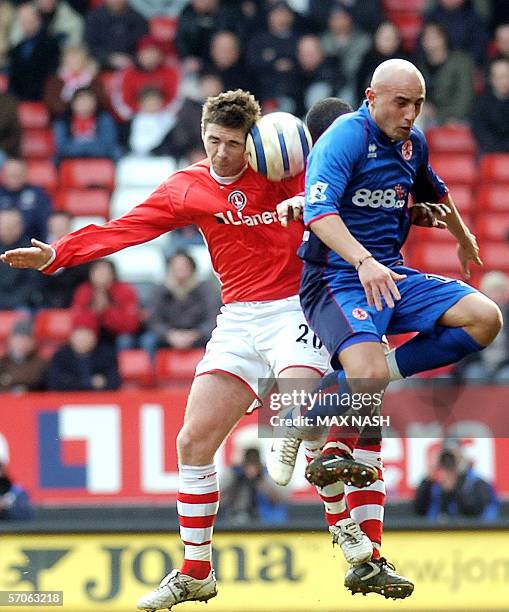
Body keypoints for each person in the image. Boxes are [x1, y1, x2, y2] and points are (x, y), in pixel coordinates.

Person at [0, 88, 375, 610]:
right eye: (213, 141)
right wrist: (59, 254)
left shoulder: (287, 169)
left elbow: (353, 185)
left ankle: (344, 529)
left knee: (297, 412)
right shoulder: (188, 187)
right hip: (239, 320)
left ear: (254, 142)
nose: (222, 154)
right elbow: (123, 230)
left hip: (300, 305)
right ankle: (197, 570)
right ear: (202, 136)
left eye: (233, 144)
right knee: (192, 442)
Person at [270, 59, 501, 597]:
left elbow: (434, 192)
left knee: (484, 318)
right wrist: (363, 260)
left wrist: (463, 237)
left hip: (388, 277)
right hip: (337, 278)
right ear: (371, 96)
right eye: (402, 103)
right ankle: (330, 472)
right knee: (365, 395)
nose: (411, 114)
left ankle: (319, 421)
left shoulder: (411, 143)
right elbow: (318, 215)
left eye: (418, 104)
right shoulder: (343, 138)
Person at [140, 251, 221, 358]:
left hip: (198, 333)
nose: (180, 270)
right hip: (168, 334)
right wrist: (169, 335)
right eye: (176, 266)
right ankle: (152, 373)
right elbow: (154, 319)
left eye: (184, 266)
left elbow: (213, 317)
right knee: (148, 341)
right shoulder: (160, 290)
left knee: (217, 339)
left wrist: (195, 334)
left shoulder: (206, 289)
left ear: (192, 268)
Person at [414, 441, 499, 522]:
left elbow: (474, 514)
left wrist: (456, 487)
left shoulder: (478, 484)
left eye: (452, 460)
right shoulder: (435, 486)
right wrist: (428, 480)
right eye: (445, 461)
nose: (448, 465)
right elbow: (419, 511)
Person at [71, 259, 142, 350]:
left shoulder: (125, 290)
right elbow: (78, 320)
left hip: (118, 333)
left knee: (125, 340)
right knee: (81, 337)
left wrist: (106, 311)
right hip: (94, 334)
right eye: (98, 271)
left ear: (113, 274)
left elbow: (131, 324)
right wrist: (94, 313)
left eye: (104, 272)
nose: (101, 275)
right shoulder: (84, 291)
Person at [47, 312, 120, 391]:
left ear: (95, 337)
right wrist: (90, 382)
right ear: (72, 336)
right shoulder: (61, 356)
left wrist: (72, 382)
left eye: (87, 333)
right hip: (68, 401)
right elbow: (55, 383)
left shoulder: (106, 355)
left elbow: (113, 383)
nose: (83, 338)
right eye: (79, 333)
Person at [220, 447, 288, 525]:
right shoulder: (235, 475)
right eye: (249, 462)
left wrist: (260, 480)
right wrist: (236, 480)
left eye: (254, 462)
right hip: (237, 518)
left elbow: (280, 498)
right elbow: (221, 499)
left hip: (266, 520)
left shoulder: (268, 475)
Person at [53, 87, 122, 164]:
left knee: (117, 152)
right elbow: (62, 147)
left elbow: (108, 144)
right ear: (73, 103)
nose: (85, 104)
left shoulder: (104, 118)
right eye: (81, 101)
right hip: (70, 155)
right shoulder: (63, 121)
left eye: (88, 101)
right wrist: (88, 146)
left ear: (95, 103)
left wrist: (81, 146)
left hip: (100, 154)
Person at [0, 158, 52, 242]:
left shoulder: (37, 194)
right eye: (11, 174)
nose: (15, 178)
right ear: (3, 174)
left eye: (18, 174)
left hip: (30, 241)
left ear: (25, 174)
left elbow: (45, 220)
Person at [472, 58, 509, 153]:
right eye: (500, 77)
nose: (504, 80)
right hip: (489, 152)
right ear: (492, 79)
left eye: (507, 76)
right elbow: (480, 131)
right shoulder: (481, 104)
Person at [0, 320, 47, 392]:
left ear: (33, 342)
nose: (22, 342)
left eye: (26, 338)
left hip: (32, 401)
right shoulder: (2, 362)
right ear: (10, 340)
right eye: (18, 338)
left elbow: (44, 388)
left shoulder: (42, 364)